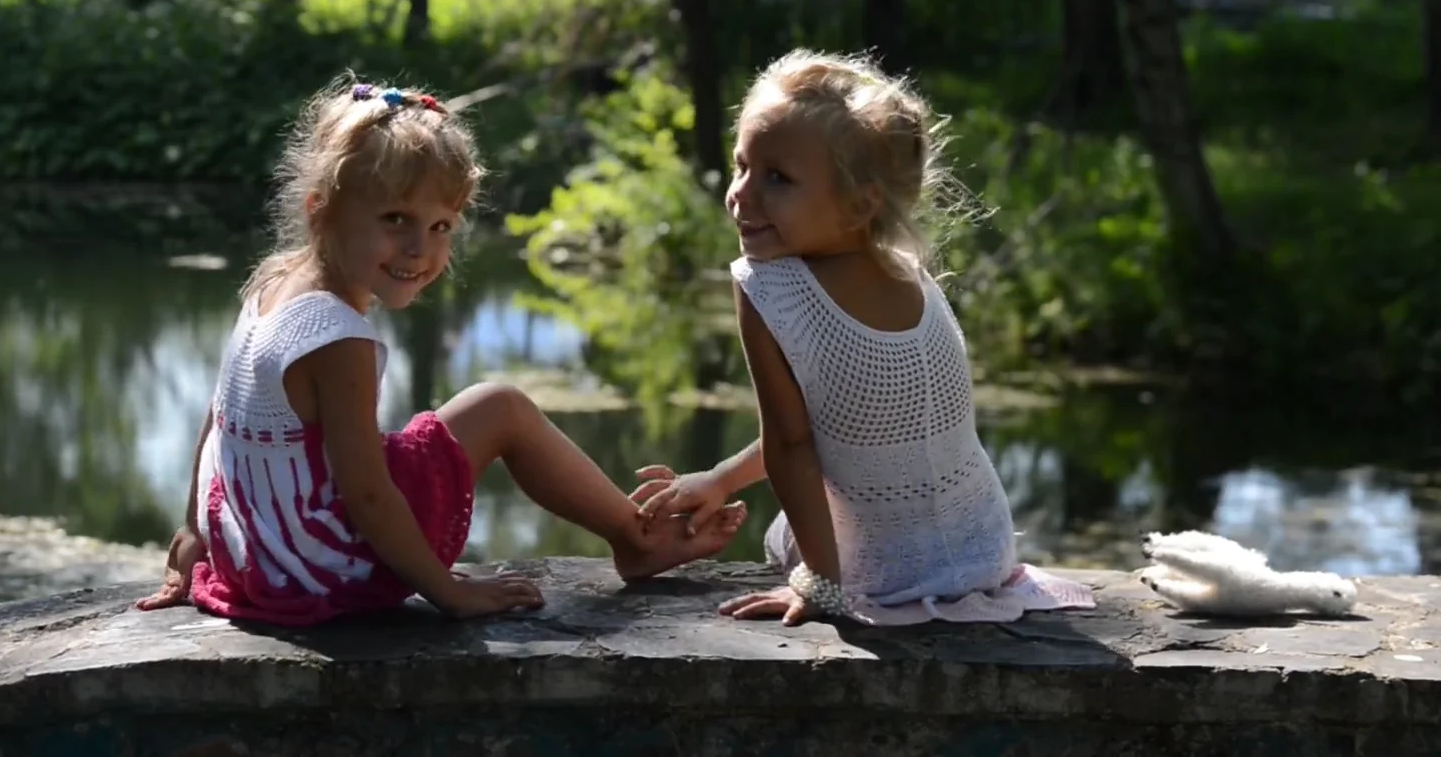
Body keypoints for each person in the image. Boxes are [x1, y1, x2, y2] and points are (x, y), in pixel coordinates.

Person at [137, 80, 745, 625]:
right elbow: (366, 494)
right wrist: (447, 593)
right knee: (500, 406)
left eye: (441, 227)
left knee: (445, 423)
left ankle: (633, 534)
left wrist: (194, 530)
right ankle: (635, 539)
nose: (418, 250)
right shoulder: (335, 335)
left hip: (254, 553)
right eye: (395, 218)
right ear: (321, 211)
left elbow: (214, 421)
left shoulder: (273, 283)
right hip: (319, 565)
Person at [630, 51, 1095, 626]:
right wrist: (720, 480)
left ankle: (825, 576)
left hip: (881, 575)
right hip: (984, 554)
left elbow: (794, 444)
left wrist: (821, 588)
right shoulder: (909, 272)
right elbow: (847, 426)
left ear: (859, 204)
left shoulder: (767, 285)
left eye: (777, 178)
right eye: (741, 165)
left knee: (787, 538)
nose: (741, 195)